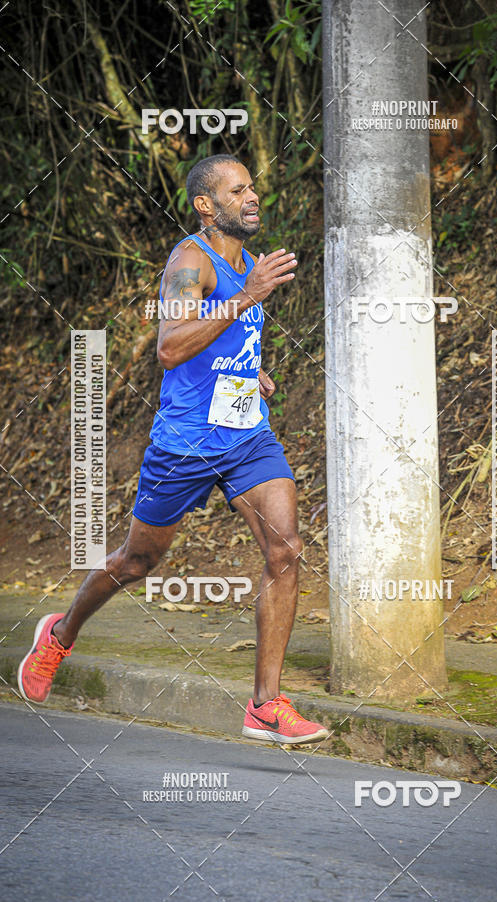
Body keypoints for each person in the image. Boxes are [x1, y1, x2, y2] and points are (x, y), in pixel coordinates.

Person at [17, 153, 328, 745]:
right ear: (206, 206)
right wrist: (249, 295)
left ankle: (265, 704)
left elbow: (226, 342)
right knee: (137, 562)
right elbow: (170, 345)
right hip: (185, 444)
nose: (253, 196)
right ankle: (59, 634)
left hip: (246, 435)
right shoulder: (191, 261)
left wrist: (249, 372)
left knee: (285, 549)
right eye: (238, 190)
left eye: (254, 187)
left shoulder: (251, 263)